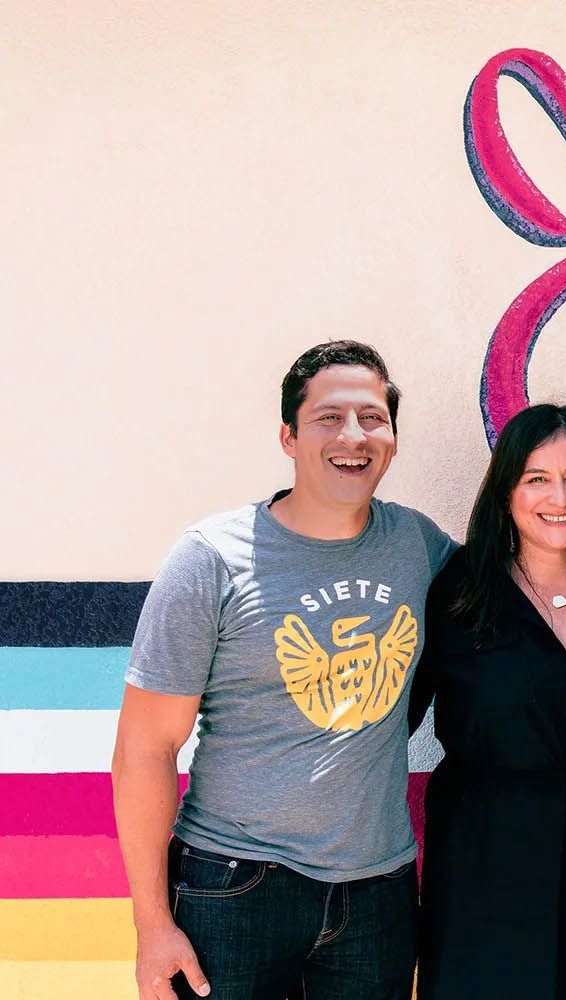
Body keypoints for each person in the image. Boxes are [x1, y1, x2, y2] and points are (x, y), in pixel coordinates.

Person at [113, 341, 455, 1000]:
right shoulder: (211, 559)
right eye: (329, 418)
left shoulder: (418, 546)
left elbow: (512, 597)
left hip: (376, 895)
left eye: (372, 418)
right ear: (288, 437)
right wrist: (153, 925)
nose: (353, 436)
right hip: (233, 887)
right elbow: (143, 750)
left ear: (391, 440)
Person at [410, 404, 566, 999]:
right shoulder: (457, 595)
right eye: (536, 478)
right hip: (486, 882)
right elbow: (389, 725)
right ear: (506, 491)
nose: (558, 496)